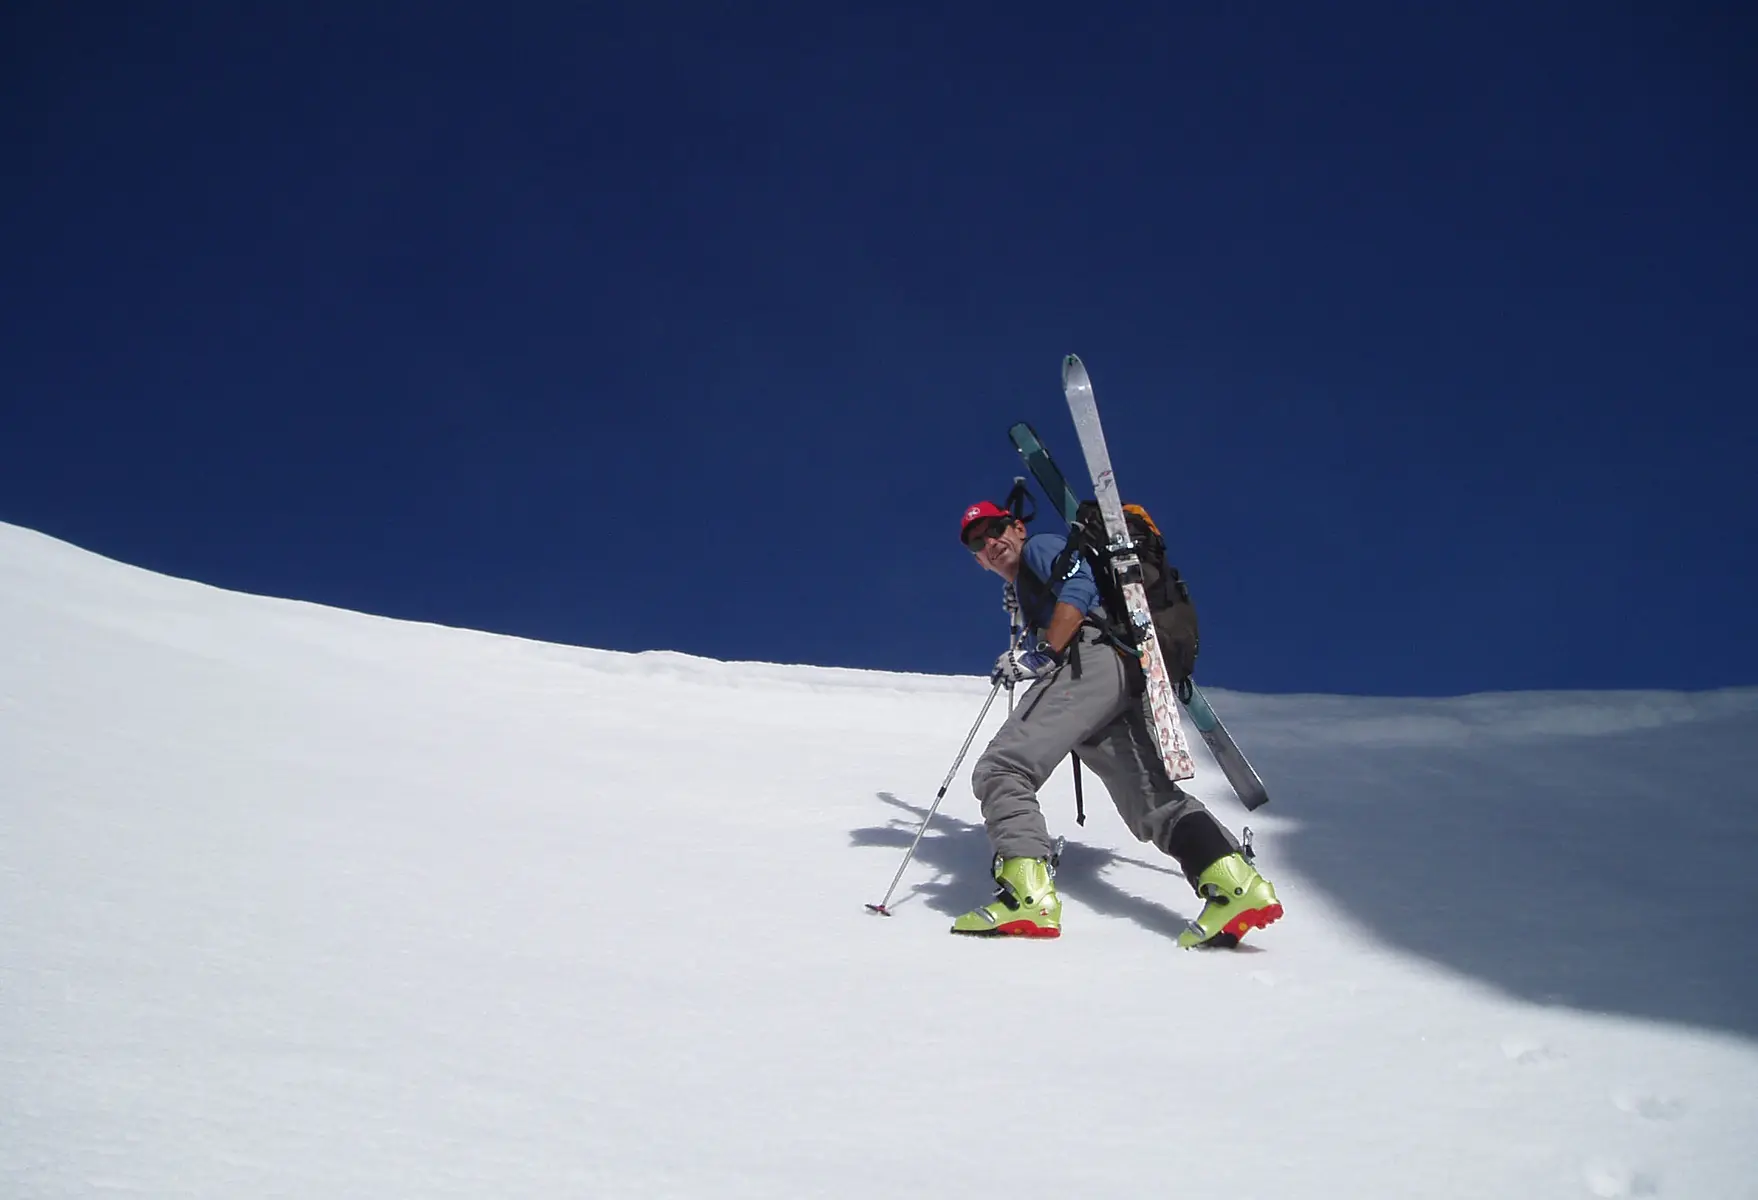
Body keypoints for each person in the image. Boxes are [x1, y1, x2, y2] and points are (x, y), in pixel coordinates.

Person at [952, 500, 1283, 946]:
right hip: (1121, 674)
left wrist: (1043, 652)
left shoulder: (1043, 547)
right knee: (1151, 802)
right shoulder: (1031, 577)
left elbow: (1079, 587)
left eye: (995, 530)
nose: (990, 543)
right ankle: (1234, 886)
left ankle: (1025, 897)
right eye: (978, 541)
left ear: (1017, 528)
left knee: (1002, 768)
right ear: (975, 560)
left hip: (1087, 662)